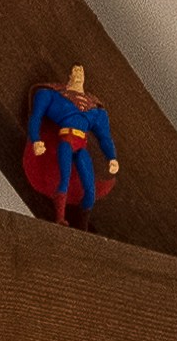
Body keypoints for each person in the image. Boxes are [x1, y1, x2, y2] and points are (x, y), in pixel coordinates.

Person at [20, 62, 121, 225]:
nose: (79, 73)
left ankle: (83, 225)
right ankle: (60, 217)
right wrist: (35, 139)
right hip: (65, 142)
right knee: (64, 179)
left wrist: (112, 157)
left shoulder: (94, 108)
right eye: (75, 70)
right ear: (70, 75)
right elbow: (36, 118)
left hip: (80, 146)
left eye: (81, 70)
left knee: (90, 190)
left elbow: (104, 137)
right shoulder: (53, 95)